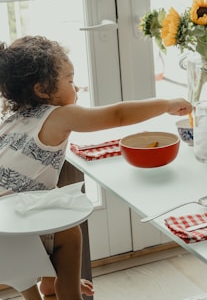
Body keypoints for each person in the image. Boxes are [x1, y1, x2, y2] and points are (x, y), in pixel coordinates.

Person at [0, 36, 192, 300]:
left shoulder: (12, 120)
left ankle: (46, 285)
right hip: (12, 235)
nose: (76, 87)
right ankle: (67, 291)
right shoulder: (59, 116)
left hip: (7, 233)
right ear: (42, 90)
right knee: (68, 230)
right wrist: (165, 105)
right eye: (70, 80)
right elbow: (117, 115)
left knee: (51, 201)